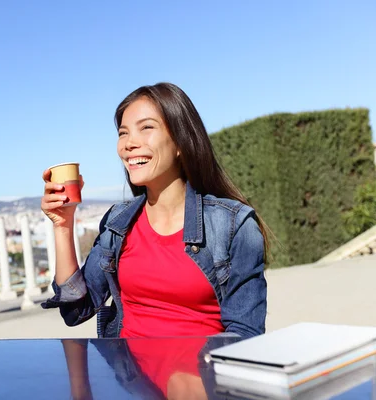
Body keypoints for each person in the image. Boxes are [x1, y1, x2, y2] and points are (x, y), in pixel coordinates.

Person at [41, 82, 268, 340]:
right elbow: (75, 310)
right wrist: (63, 225)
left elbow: (246, 334)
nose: (129, 143)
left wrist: (190, 371)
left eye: (146, 127)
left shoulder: (234, 226)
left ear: (181, 141)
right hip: (129, 377)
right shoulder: (117, 223)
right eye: (123, 133)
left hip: (202, 376)